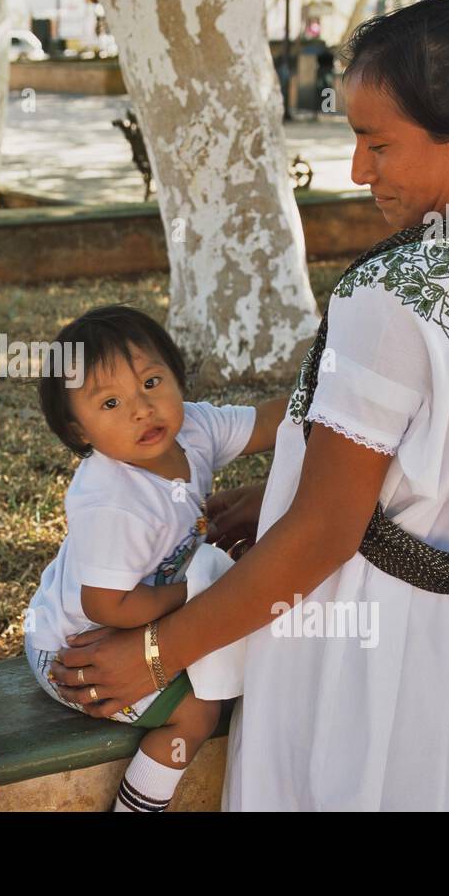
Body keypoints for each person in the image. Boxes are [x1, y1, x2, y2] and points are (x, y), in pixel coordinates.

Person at [50, 0, 449, 811]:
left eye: (377, 143)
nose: (360, 171)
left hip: (376, 658)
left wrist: (154, 652)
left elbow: (324, 536)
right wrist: (292, 480)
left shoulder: (394, 292)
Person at [24, 305, 284, 811]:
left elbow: (272, 422)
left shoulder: (195, 430)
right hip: (76, 649)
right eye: (112, 402)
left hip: (134, 609)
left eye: (151, 381)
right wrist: (187, 594)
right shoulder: (114, 503)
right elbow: (106, 605)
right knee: (198, 712)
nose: (141, 409)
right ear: (80, 432)